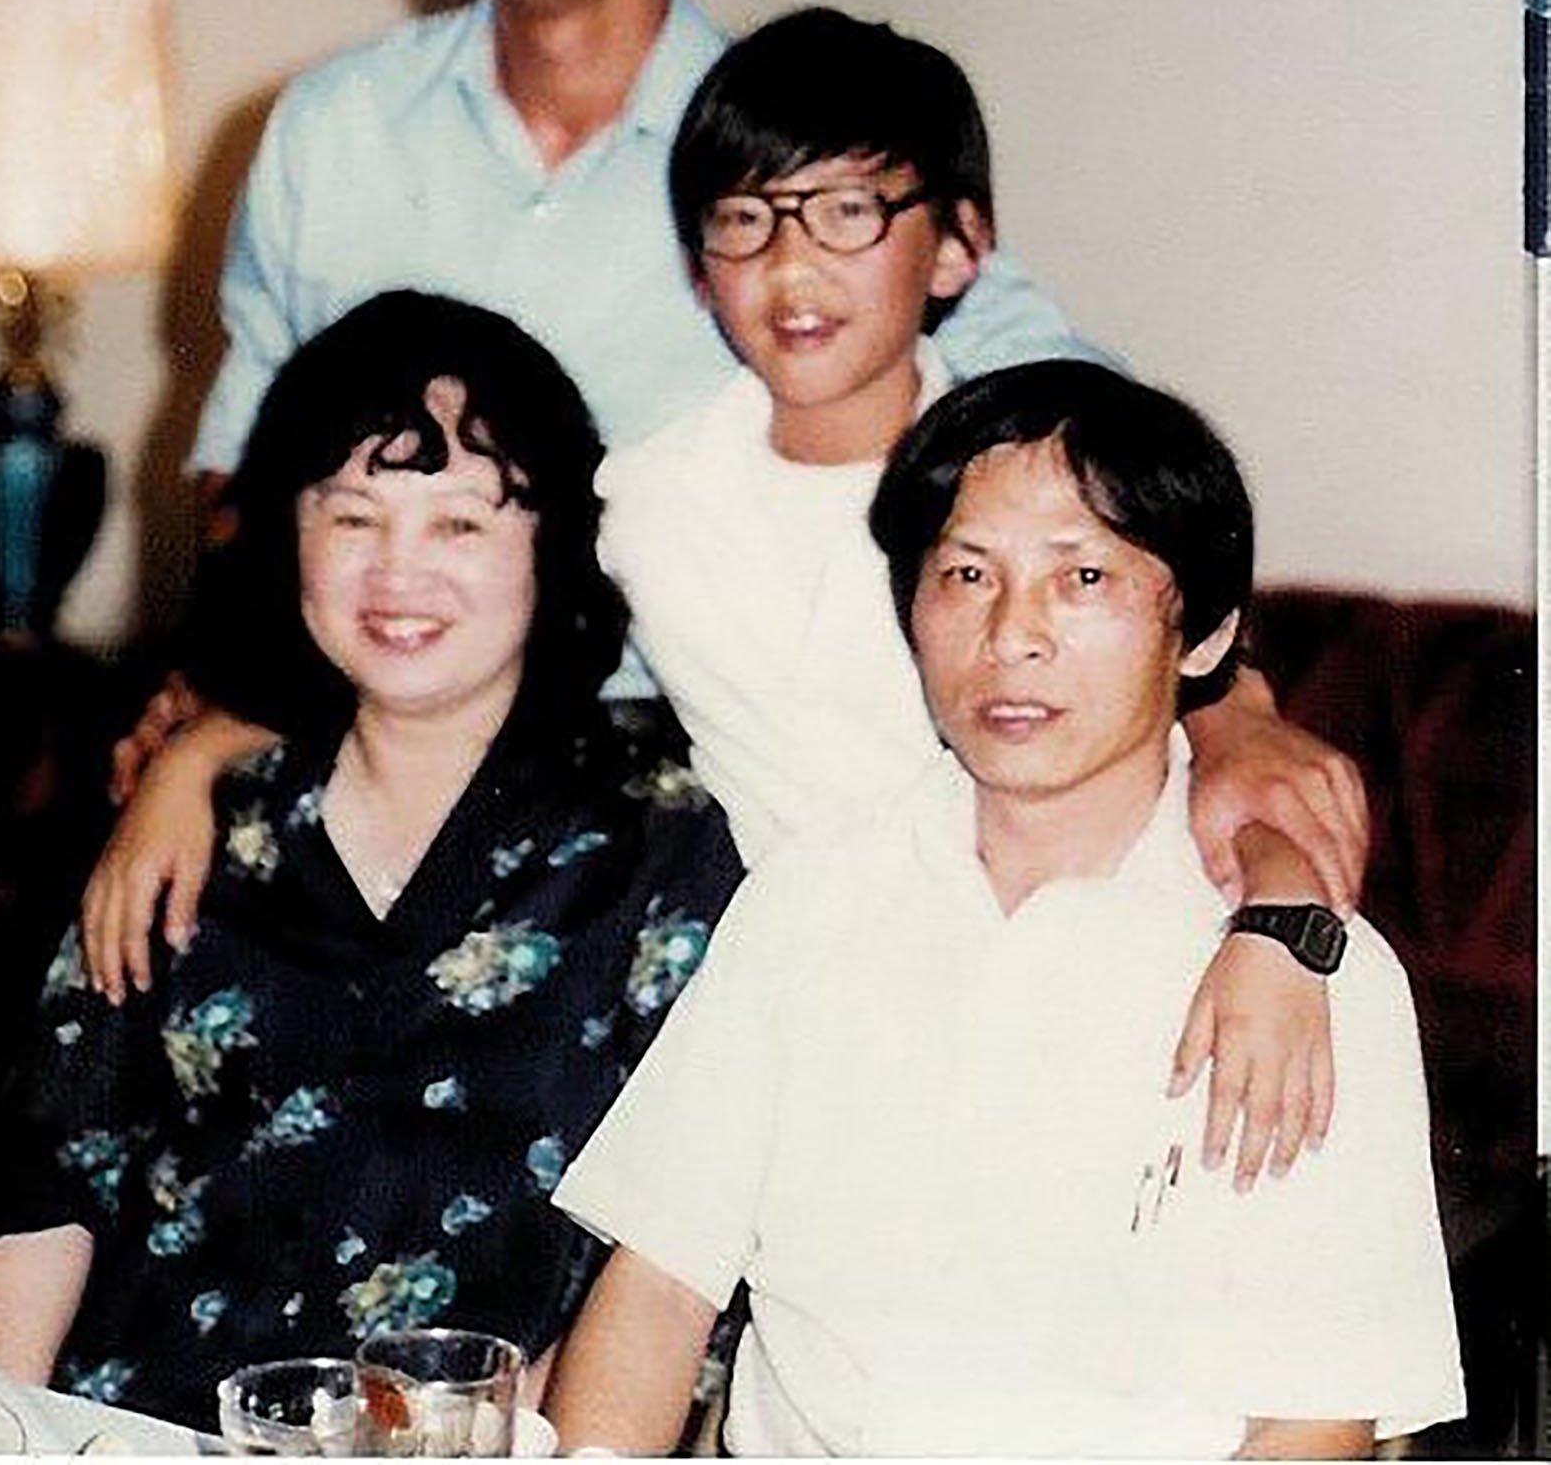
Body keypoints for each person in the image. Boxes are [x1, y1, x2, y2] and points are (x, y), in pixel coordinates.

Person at [87, 0, 1097, 964]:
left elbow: (1079, 442)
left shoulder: (785, 162)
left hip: (685, 790)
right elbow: (243, 474)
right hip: (376, 738)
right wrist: (230, 694)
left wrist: (1235, 702)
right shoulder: (332, 130)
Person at [547, 362, 1465, 1457]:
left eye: (1081, 576)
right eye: (967, 573)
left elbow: (1314, 1417)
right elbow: (657, 1281)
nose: (1011, 634)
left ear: (1208, 635)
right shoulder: (809, 900)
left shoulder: (1313, 975)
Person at [0, 292, 741, 1433]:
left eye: (460, 524)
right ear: (292, 534)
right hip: (141, 1423)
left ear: (553, 545)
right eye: (354, 515)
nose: (397, 571)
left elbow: (684, 1256)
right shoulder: (201, 819)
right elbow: (48, 1177)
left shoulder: (660, 846)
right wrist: (3, 1433)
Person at [598, 8, 1360, 1177]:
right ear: (699, 269)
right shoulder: (643, 505)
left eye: (850, 211)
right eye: (744, 220)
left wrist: (1279, 912)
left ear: (957, 247)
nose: (791, 268)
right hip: (808, 1030)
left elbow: (1202, 736)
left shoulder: (1045, 504)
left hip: (1103, 1001)